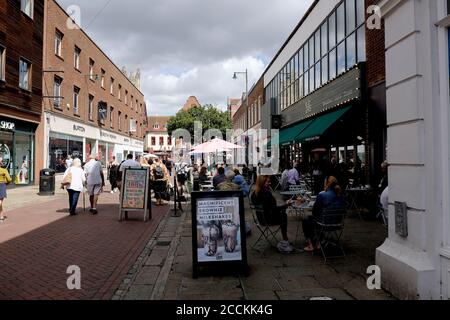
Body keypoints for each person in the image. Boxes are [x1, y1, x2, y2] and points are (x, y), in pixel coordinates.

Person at [251, 175, 294, 253]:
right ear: (262, 183)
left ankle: (285, 239)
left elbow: (270, 208)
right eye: (268, 182)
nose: (269, 183)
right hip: (268, 219)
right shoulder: (266, 193)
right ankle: (285, 239)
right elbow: (274, 209)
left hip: (260, 219)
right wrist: (286, 205)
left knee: (282, 214)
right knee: (283, 215)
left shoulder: (254, 193)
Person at [302, 176, 346, 252]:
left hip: (324, 223)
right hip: (338, 223)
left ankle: (311, 245)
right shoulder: (341, 196)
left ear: (327, 184)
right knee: (315, 219)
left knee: (306, 220)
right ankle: (320, 241)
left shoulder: (322, 195)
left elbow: (315, 212)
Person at [0, 157, 12, 222]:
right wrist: (6, 183)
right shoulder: (4, 170)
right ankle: (1, 217)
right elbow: (9, 179)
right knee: (0, 202)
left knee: (1, 204)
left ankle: (1, 217)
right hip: (2, 186)